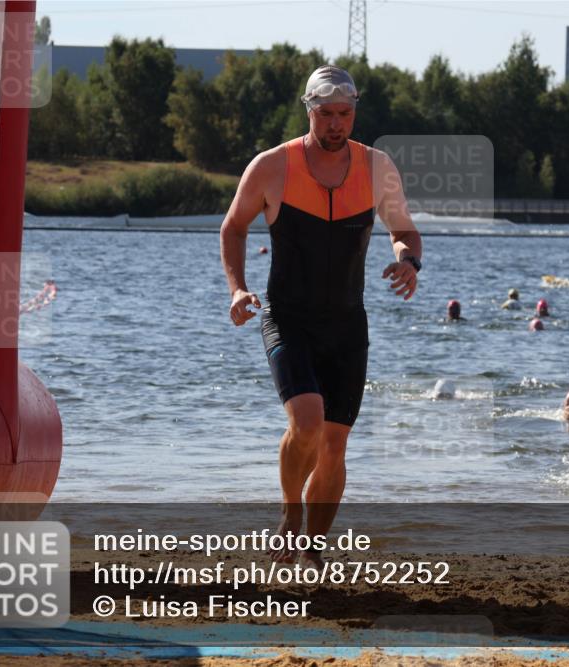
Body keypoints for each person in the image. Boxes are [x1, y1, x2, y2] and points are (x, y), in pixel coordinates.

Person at [220, 65, 422, 566]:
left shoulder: (377, 167)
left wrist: (406, 259)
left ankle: (313, 548)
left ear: (355, 113)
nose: (336, 124)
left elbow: (405, 230)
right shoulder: (272, 166)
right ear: (309, 110)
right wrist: (238, 289)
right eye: (326, 114)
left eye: (345, 114)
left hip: (348, 323)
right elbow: (233, 227)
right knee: (306, 422)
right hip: (288, 316)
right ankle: (291, 515)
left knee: (335, 444)